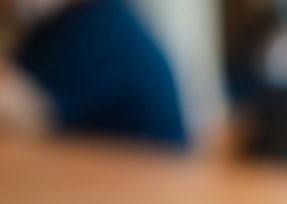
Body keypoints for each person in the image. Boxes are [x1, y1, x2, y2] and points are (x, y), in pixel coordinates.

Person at [0, 0, 186, 148]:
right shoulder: (55, 29)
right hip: (98, 178)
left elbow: (24, 117)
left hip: (149, 183)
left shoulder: (102, 29)